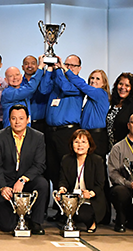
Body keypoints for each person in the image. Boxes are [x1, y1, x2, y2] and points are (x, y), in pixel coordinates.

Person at [0, 104, 48, 234]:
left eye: (21, 118)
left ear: (28, 119)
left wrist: (23, 180)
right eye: (13, 118)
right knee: (7, 227)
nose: (17, 122)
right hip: (7, 182)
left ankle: (36, 221)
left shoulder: (38, 137)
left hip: (26, 180)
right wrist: (2, 187)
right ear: (9, 119)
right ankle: (12, 213)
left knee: (42, 184)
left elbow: (39, 164)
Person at [39, 55, 83, 196]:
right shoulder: (57, 80)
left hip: (68, 132)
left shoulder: (79, 83)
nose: (68, 68)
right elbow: (43, 90)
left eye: (72, 66)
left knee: (67, 168)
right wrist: (50, 69)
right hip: (51, 131)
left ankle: (69, 204)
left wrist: (60, 70)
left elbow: (66, 87)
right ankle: (59, 203)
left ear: (79, 69)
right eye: (66, 64)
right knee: (53, 168)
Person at [56, 129, 106, 233]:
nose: (80, 145)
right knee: (68, 213)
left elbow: (100, 184)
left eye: (83, 142)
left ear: (89, 145)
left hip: (91, 199)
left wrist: (90, 193)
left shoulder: (97, 160)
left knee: (83, 214)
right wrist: (62, 189)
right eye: (76, 142)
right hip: (73, 198)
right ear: (72, 144)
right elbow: (63, 180)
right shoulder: (66, 159)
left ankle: (91, 222)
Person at [65, 68, 109, 158]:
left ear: (104, 83)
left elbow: (81, 85)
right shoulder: (89, 98)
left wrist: (65, 70)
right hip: (88, 135)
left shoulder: (100, 93)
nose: (93, 80)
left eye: (97, 79)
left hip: (97, 136)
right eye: (92, 78)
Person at [106, 72, 133, 151]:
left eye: (127, 85)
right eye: (120, 84)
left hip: (131, 149)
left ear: (132, 88)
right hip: (113, 149)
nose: (123, 87)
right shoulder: (114, 103)